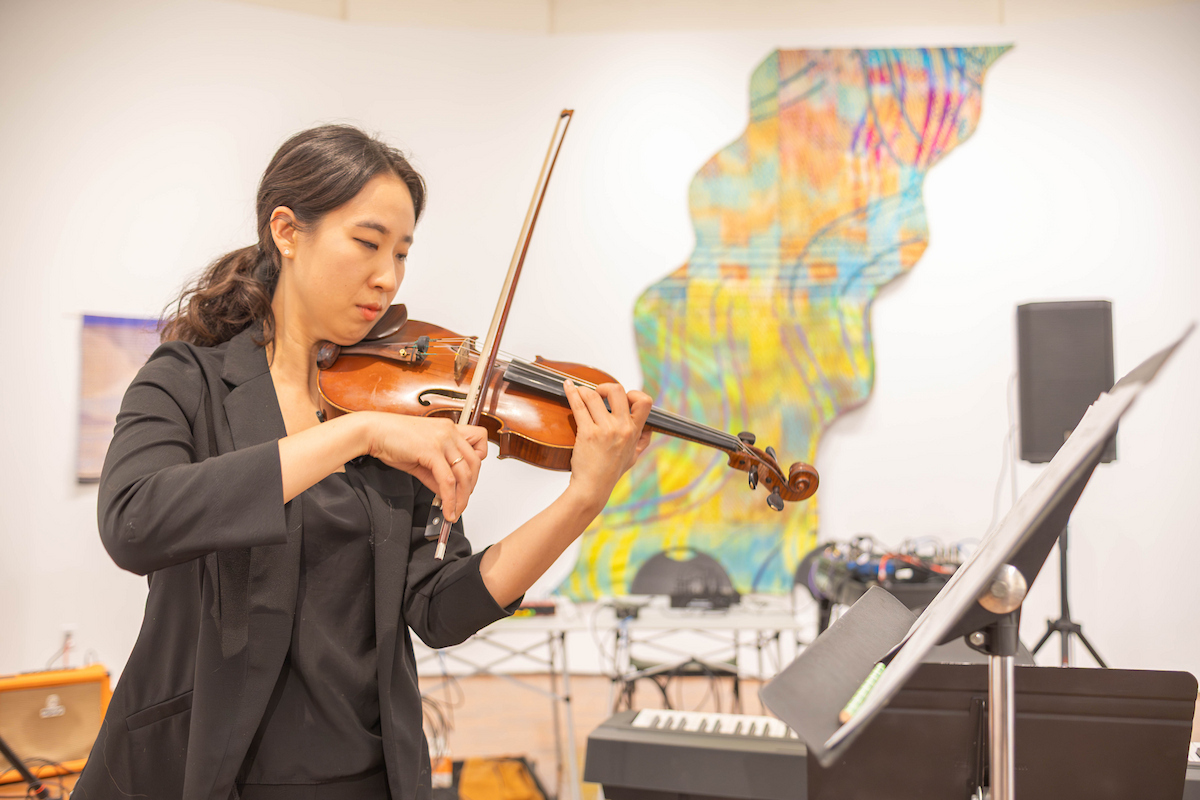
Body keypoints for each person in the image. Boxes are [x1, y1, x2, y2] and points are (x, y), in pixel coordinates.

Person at [74, 124, 652, 800]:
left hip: (362, 780)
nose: (389, 277)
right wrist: (358, 438)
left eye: (402, 253)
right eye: (369, 243)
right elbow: (134, 522)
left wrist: (583, 498)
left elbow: (441, 609)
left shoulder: (398, 408)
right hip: (204, 770)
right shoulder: (188, 379)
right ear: (288, 232)